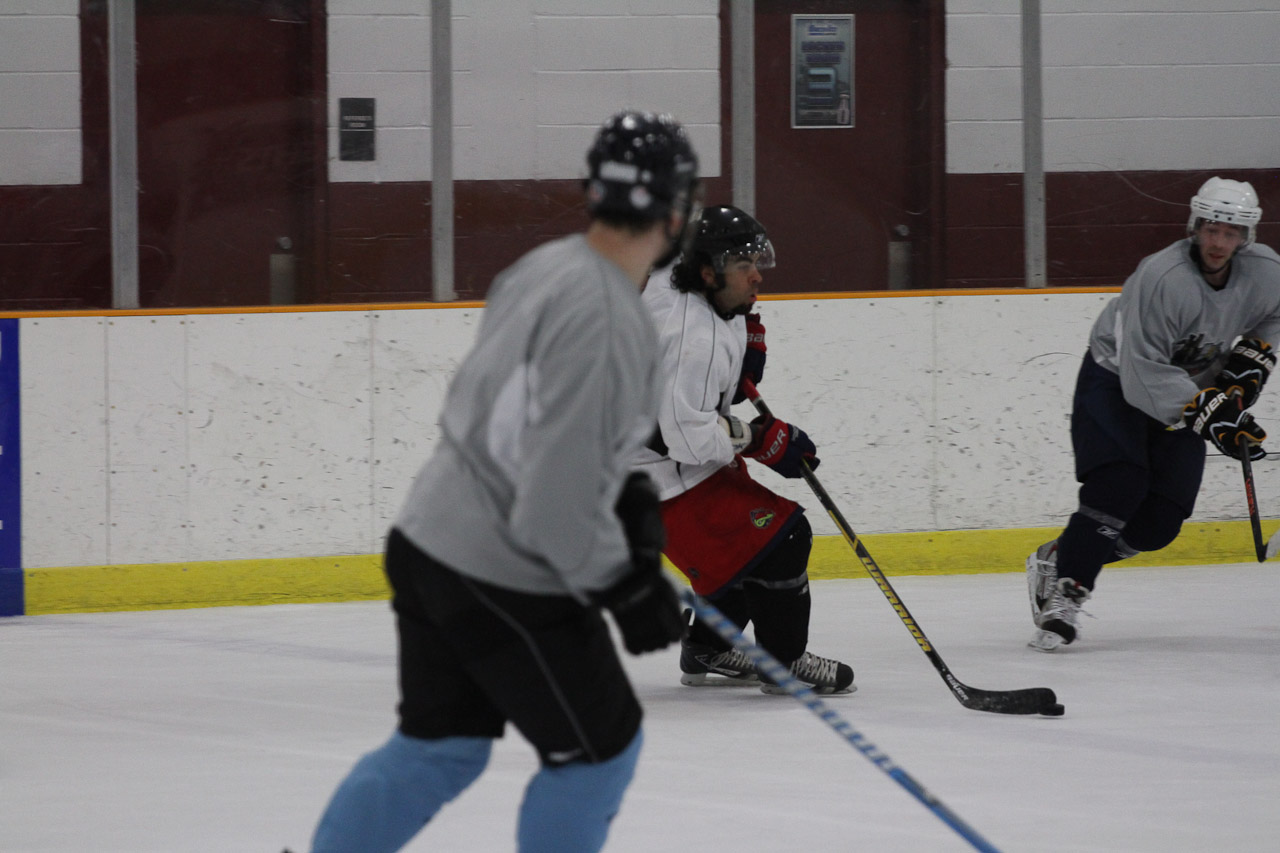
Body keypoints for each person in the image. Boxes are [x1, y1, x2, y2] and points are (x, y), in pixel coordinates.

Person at [306, 110, 698, 853]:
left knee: (441, 748)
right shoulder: (611, 318)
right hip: (500, 569)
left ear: (595, 190)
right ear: (675, 212)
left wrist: (614, 491)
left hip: (428, 539)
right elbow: (550, 512)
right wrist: (625, 584)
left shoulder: (547, 265)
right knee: (600, 750)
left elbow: (507, 419)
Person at [1027, 177, 1280, 651]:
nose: (1219, 242)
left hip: (1189, 385)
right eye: (1211, 229)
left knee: (1160, 522)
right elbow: (1140, 373)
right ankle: (1067, 591)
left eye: (1230, 233)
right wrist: (1212, 413)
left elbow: (1274, 315)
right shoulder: (1162, 277)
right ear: (1196, 226)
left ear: (1246, 237)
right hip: (1115, 379)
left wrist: (1245, 370)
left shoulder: (1266, 272)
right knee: (1119, 484)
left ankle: (1062, 555)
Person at [634, 204, 855, 694]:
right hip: (658, 477)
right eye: (743, 265)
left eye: (757, 261)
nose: (757, 275)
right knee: (785, 538)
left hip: (656, 460)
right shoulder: (692, 337)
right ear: (709, 272)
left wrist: (744, 337)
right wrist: (760, 441)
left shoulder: (688, 277)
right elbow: (689, 440)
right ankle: (783, 662)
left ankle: (708, 648)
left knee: (741, 556)